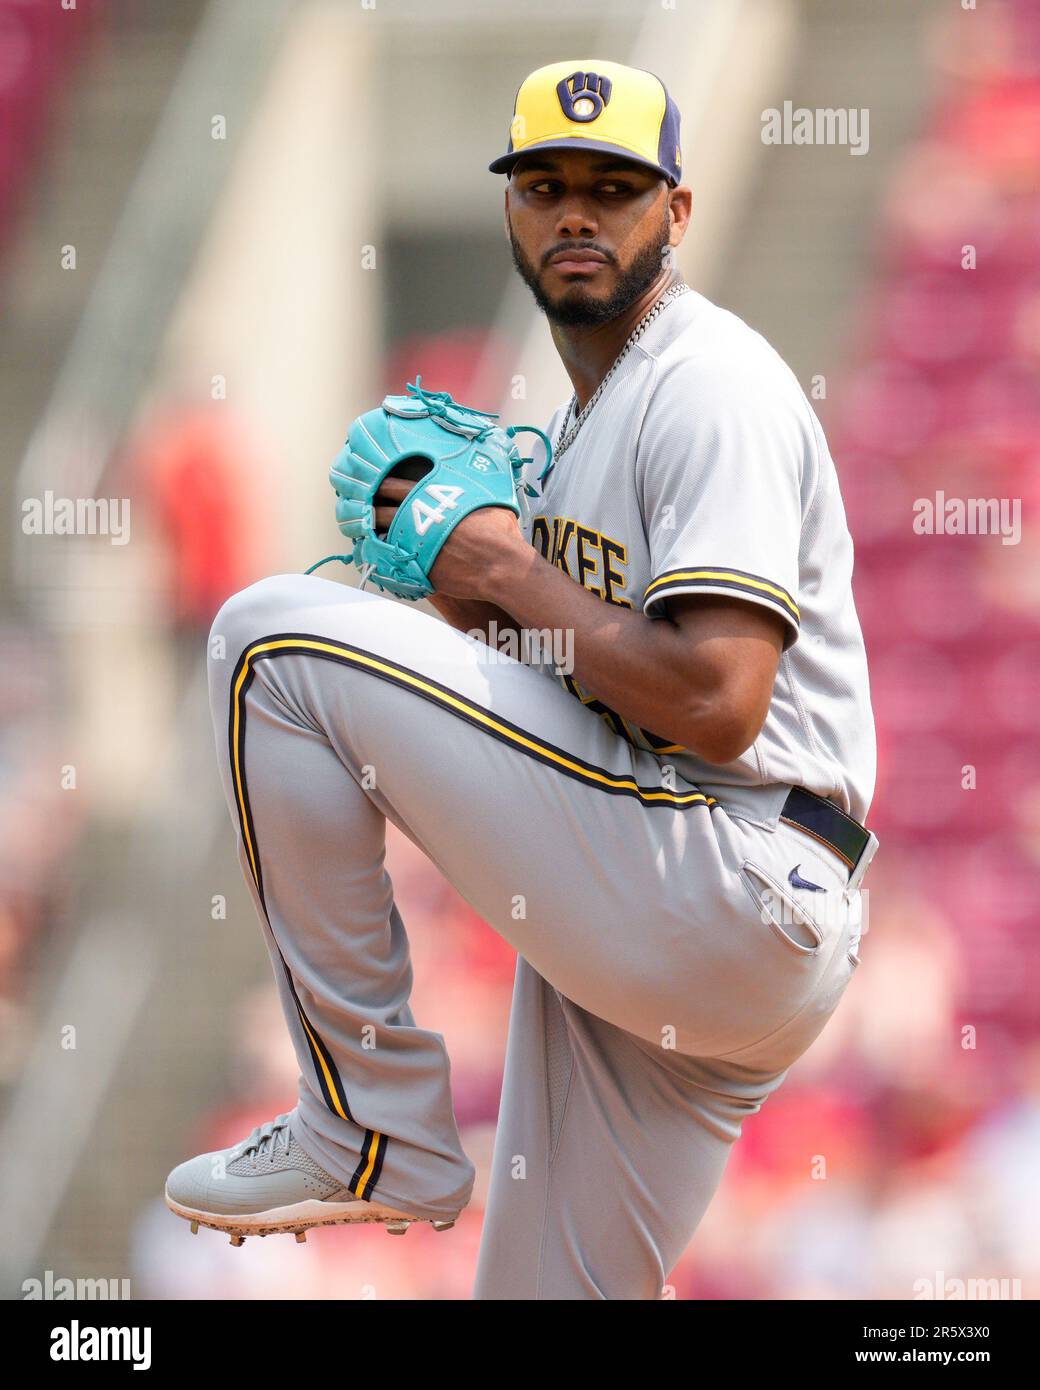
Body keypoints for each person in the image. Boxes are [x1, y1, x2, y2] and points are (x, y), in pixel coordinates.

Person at [164, 58, 878, 1300]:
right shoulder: (579, 426)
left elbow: (718, 701)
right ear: (509, 207)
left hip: (732, 868)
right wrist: (471, 609)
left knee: (267, 641)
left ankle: (369, 1123)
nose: (576, 215)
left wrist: (504, 565)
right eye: (545, 187)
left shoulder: (709, 385)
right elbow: (595, 689)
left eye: (613, 187)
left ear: (676, 210)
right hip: (670, 902)